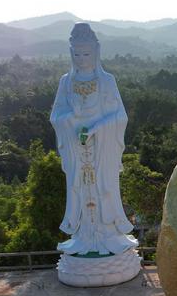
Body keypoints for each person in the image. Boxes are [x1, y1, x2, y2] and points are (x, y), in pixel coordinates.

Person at [50, 23, 138, 256]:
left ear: (96, 52)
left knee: (103, 188)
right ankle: (84, 236)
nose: (81, 59)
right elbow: (56, 116)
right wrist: (72, 117)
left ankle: (108, 235)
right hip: (77, 150)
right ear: (71, 53)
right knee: (81, 190)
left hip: (102, 149)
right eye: (77, 54)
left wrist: (96, 128)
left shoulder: (107, 81)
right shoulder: (66, 82)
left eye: (86, 54)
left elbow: (120, 116)